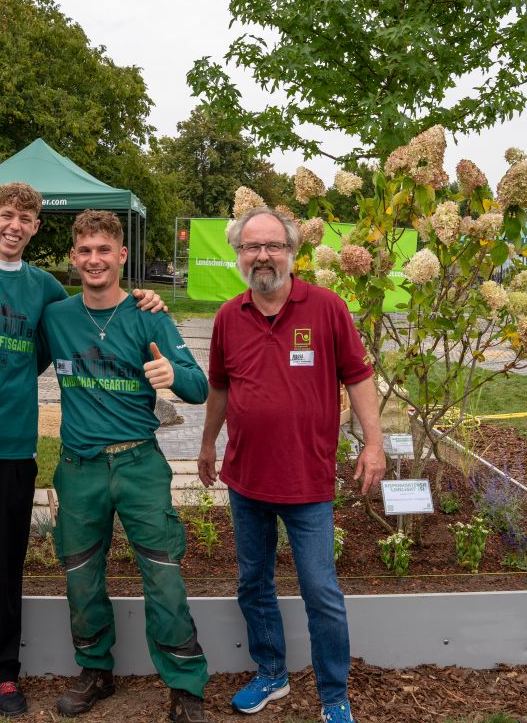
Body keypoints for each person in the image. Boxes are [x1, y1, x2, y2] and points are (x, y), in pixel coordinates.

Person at [0, 183, 165, 722]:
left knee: (5, 568)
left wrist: (147, 298)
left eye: (26, 218)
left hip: (12, 454)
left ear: (37, 227)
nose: (15, 225)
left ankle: (0, 672)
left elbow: (76, 323)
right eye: (7, 215)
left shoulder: (43, 288)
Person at [197, 207, 386, 723]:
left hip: (308, 484)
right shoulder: (227, 318)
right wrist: (208, 444)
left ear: (291, 253)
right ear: (238, 254)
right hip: (247, 480)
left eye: (273, 246)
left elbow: (360, 377)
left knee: (321, 591)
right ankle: (272, 674)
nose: (262, 256)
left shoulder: (326, 308)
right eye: (251, 247)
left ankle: (333, 695)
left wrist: (374, 443)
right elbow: (219, 388)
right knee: (253, 583)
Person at [44, 210, 210, 723]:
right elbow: (1, 360)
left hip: (139, 463)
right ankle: (95, 671)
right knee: (80, 576)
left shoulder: (149, 313)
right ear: (74, 258)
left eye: (104, 250)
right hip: (80, 468)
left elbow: (199, 387)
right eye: (85, 251)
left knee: (163, 577)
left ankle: (185, 686)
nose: (94, 259)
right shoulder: (56, 317)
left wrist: (171, 374)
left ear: (121, 256)